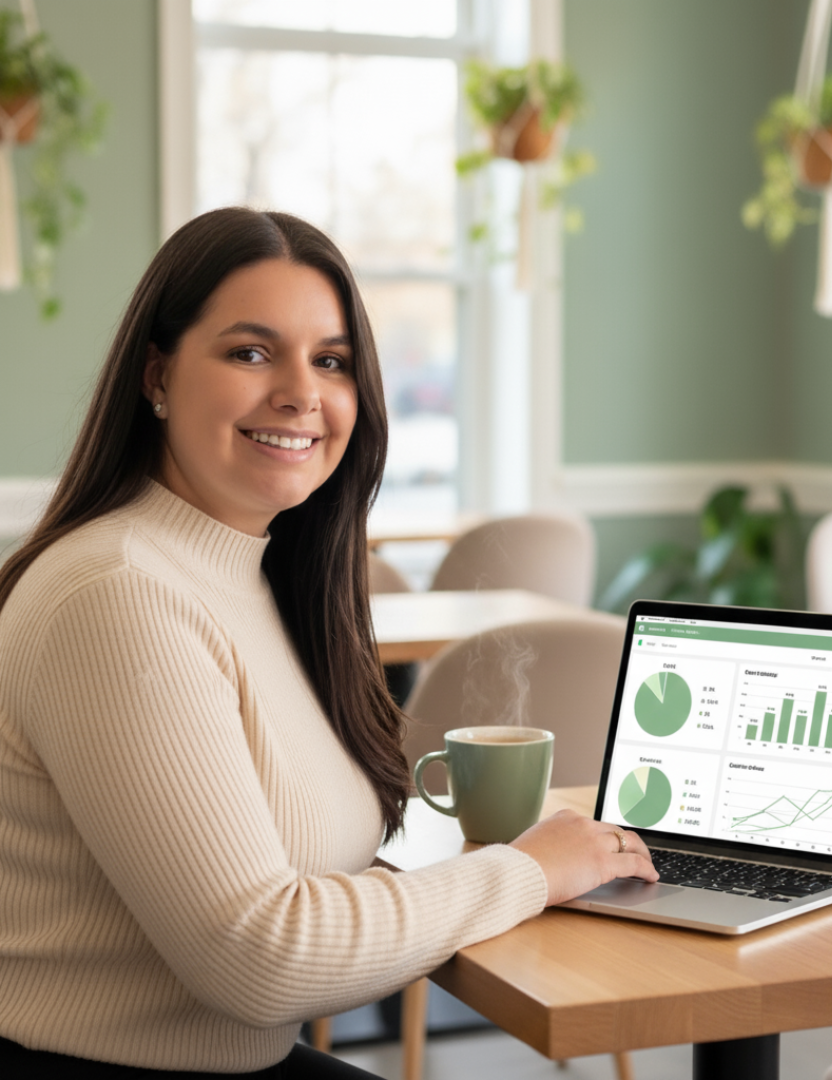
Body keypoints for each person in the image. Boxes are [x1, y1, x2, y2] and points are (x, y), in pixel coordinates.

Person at [0, 208, 657, 1079]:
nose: (301, 393)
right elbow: (260, 956)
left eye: (332, 361)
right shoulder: (117, 597)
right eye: (249, 352)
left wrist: (515, 849)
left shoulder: (258, 579)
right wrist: (524, 873)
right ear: (157, 376)